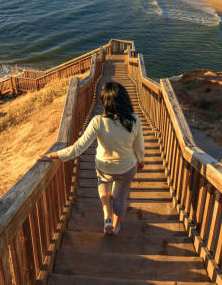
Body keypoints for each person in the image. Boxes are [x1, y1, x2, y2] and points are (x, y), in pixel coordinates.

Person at [38, 81, 145, 235]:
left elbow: (77, 148)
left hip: (104, 167)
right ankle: (115, 226)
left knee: (103, 185)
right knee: (120, 197)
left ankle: (107, 217)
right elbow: (139, 148)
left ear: (104, 102)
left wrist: (52, 155)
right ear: (125, 99)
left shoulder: (98, 121)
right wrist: (140, 161)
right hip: (127, 167)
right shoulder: (135, 120)